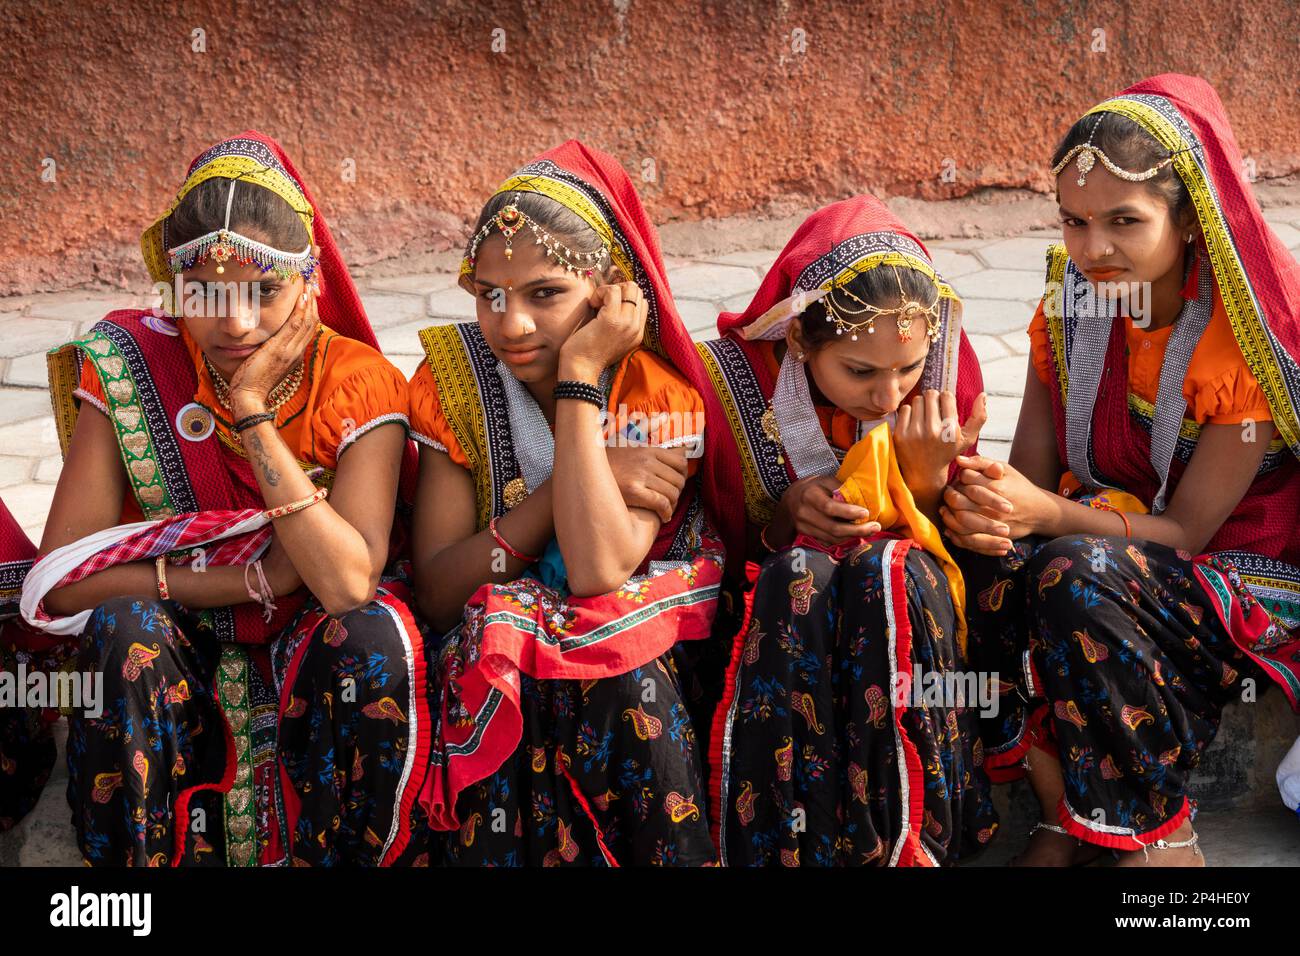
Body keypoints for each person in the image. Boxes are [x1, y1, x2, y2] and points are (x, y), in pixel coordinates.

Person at [29, 132, 429, 866]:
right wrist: (251, 581)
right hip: (180, 631)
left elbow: (344, 583)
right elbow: (62, 586)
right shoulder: (130, 367)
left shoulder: (357, 380)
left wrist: (249, 410)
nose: (236, 322)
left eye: (265, 289)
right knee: (123, 633)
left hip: (310, 637)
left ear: (310, 283)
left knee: (375, 633)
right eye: (205, 293)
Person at [943, 74, 1300, 866]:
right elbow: (1032, 476)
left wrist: (1049, 516)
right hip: (1105, 537)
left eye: (1123, 222)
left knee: (1073, 569)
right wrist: (980, 501)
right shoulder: (1072, 305)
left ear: (1190, 221)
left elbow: (1184, 533)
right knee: (970, 553)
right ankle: (1053, 807)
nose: (1092, 248)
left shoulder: (1240, 332)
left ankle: (1156, 836)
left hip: (1229, 570)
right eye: (1073, 221)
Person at [408, 141, 725, 865]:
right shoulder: (456, 381)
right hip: (497, 652)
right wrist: (583, 476)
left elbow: (596, 571)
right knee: (500, 644)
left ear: (610, 292)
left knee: (613, 658)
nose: (511, 323)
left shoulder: (654, 394)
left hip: (633, 659)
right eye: (491, 294)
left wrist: (581, 376)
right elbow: (437, 588)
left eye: (544, 294)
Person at [697, 196, 998, 865]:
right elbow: (715, 537)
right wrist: (786, 515)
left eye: (907, 368)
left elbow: (973, 547)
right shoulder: (730, 381)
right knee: (799, 575)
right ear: (801, 340)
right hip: (781, 615)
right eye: (860, 372)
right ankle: (782, 843)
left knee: (885, 575)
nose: (890, 397)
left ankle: (912, 838)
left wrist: (919, 486)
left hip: (901, 613)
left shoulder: (947, 383)